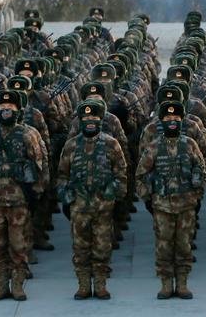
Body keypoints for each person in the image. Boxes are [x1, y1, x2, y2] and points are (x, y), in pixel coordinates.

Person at [0, 90, 45, 301]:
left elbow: (38, 164)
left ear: (18, 110)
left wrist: (36, 194)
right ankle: (1, 284)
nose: (6, 111)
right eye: (3, 108)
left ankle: (18, 285)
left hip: (18, 200)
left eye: (10, 108)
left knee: (18, 245)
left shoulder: (28, 134)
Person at [57, 99, 128, 300]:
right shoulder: (71, 146)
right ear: (80, 121)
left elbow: (121, 173)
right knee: (80, 248)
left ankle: (100, 284)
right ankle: (83, 285)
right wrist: (66, 195)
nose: (90, 121)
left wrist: (112, 192)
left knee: (102, 247)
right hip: (79, 207)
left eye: (94, 117)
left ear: (100, 120)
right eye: (86, 118)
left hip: (103, 207)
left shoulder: (111, 144)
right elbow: (62, 175)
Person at [136, 100, 206, 299]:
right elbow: (141, 175)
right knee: (164, 246)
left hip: (186, 205)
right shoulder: (154, 147)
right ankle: (166, 283)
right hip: (162, 206)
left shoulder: (190, 144)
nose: (172, 121)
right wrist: (149, 200)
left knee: (184, 245)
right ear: (162, 121)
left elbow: (201, 171)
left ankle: (182, 283)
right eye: (168, 118)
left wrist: (196, 196)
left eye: (176, 118)